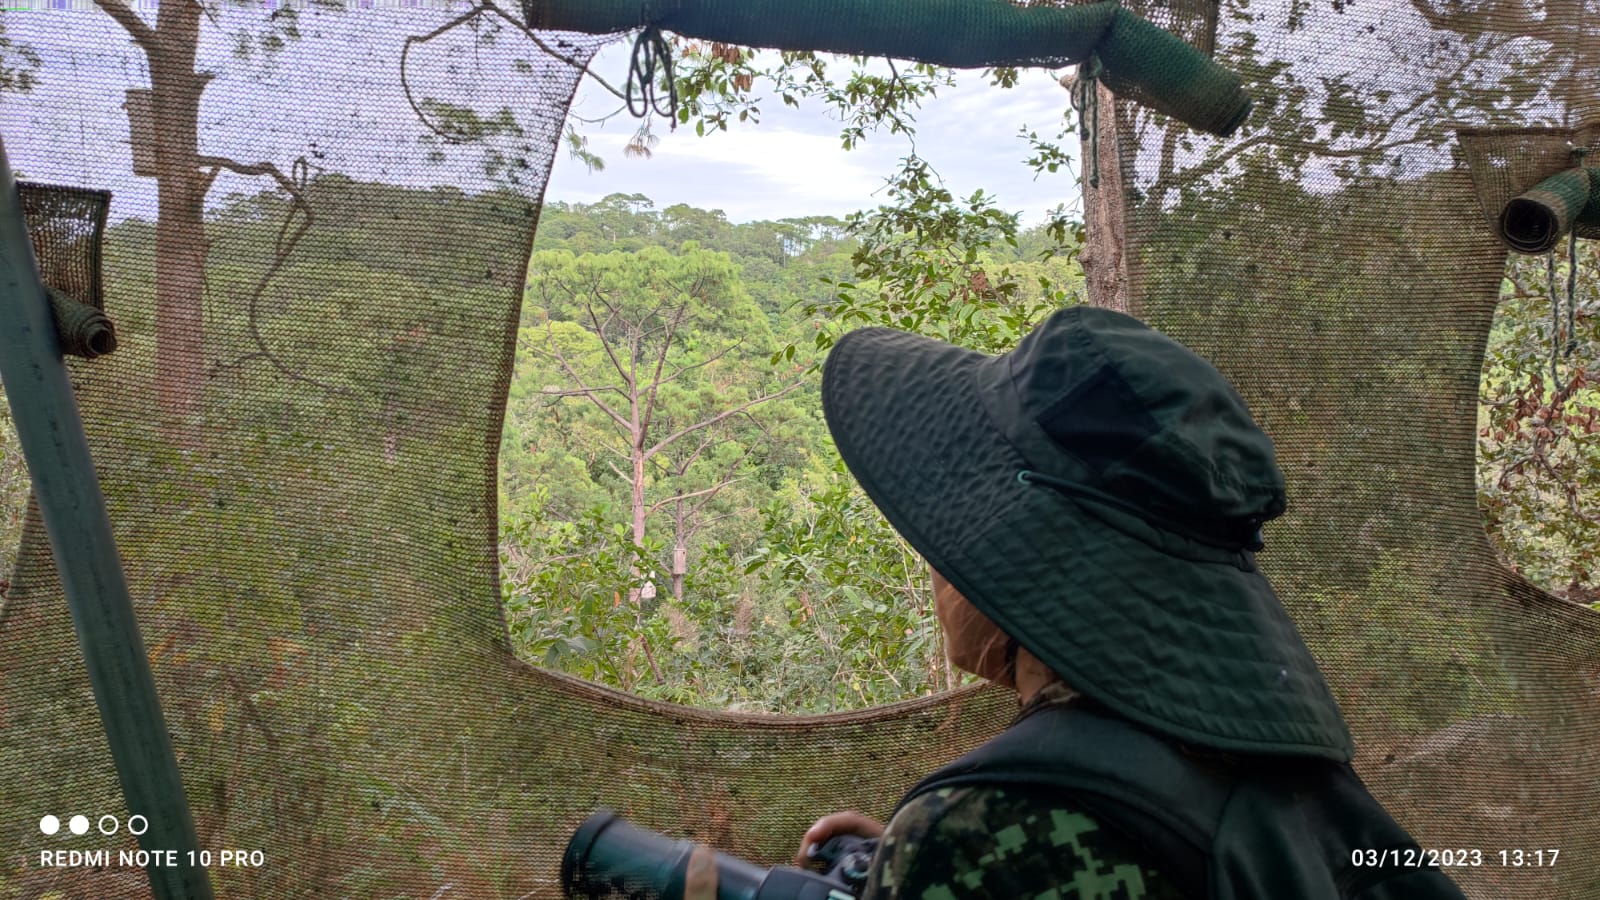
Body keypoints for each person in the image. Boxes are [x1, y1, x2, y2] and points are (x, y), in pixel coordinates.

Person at [687, 306, 1467, 900]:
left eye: (945, 537)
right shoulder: (1290, 777)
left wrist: (946, 851)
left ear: (1016, 560)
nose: (936, 565)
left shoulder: (989, 830)